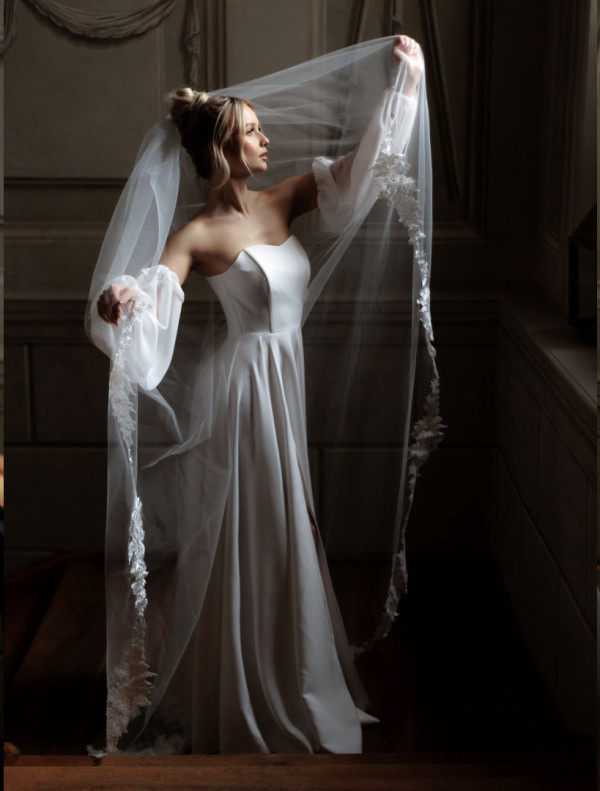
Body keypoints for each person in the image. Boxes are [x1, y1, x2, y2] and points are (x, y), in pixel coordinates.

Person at [88, 35, 436, 755]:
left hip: (284, 383)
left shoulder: (287, 198)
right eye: (250, 131)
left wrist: (404, 89)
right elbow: (150, 293)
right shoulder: (196, 234)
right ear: (221, 150)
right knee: (257, 530)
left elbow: (362, 172)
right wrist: (119, 298)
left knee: (289, 528)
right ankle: (241, 689)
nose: (265, 138)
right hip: (242, 393)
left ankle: (296, 674)